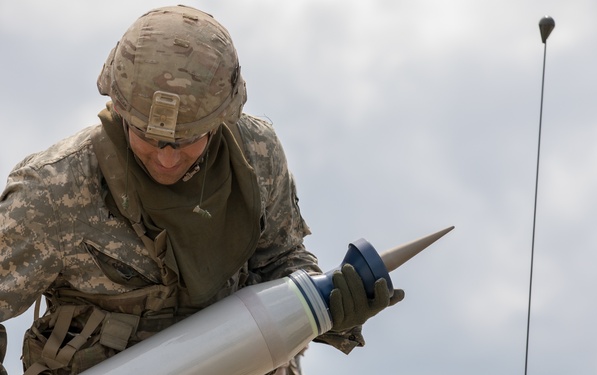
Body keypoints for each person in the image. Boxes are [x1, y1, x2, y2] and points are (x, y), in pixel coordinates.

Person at [0, 5, 403, 374]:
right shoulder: (53, 192)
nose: (168, 158)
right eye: (149, 137)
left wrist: (328, 307)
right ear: (120, 109)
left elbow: (280, 258)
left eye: (187, 139)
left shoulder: (255, 156)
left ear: (221, 120)